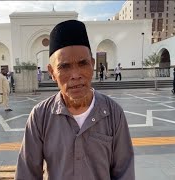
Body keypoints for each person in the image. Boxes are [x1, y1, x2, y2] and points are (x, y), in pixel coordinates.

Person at [16, 20, 134, 180]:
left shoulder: (113, 113)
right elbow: (27, 174)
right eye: (64, 66)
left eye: (83, 63)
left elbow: (124, 173)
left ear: (92, 65)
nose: (75, 74)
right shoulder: (40, 116)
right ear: (52, 72)